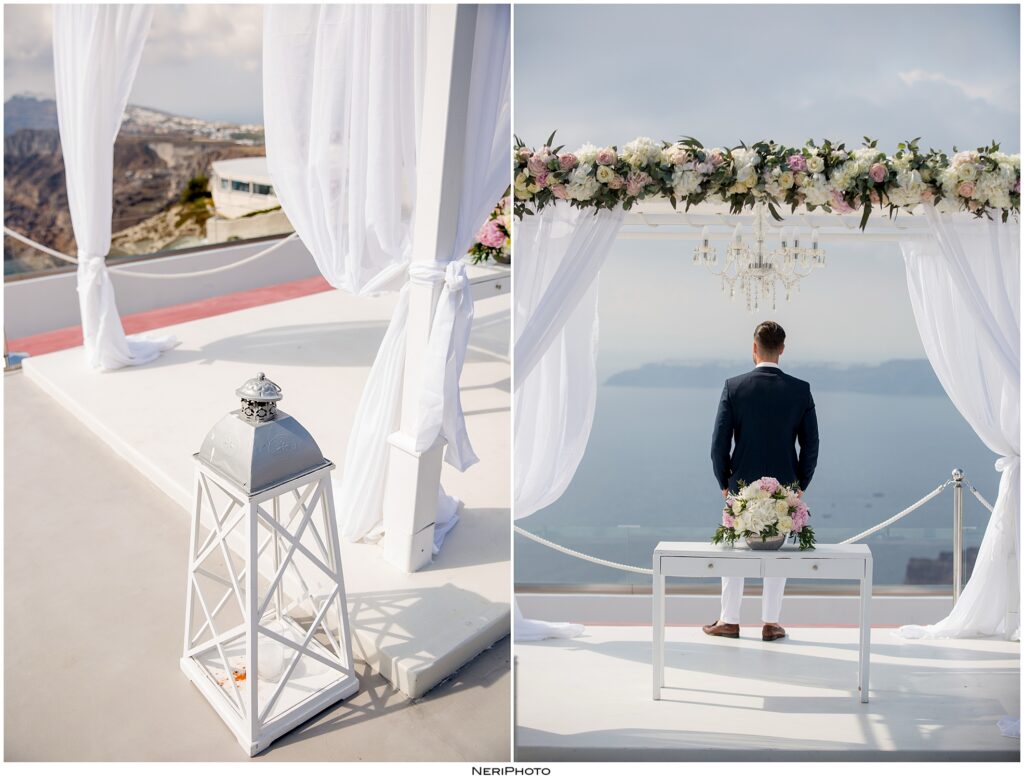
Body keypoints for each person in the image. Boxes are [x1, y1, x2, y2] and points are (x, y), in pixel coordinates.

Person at [704, 321, 819, 641]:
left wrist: (724, 481)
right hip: (784, 486)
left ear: (754, 347)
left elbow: (718, 443)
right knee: (777, 553)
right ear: (782, 348)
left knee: (735, 551)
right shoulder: (800, 389)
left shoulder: (734, 386)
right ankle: (770, 622)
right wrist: (800, 484)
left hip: (740, 485)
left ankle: (729, 620)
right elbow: (811, 445)